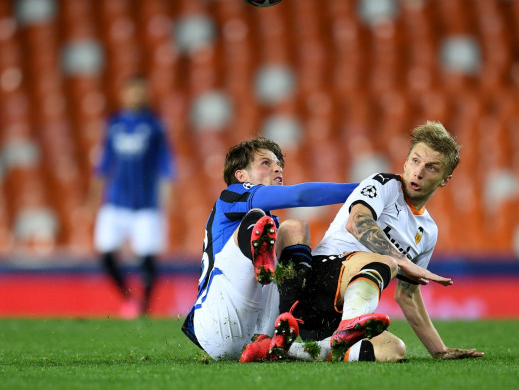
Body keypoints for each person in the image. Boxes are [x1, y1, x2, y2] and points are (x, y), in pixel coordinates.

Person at [244, 121, 484, 362]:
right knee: (387, 262)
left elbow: (407, 295)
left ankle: (296, 349)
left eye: (431, 167)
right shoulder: (384, 184)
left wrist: (439, 350)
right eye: (415, 161)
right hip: (319, 280)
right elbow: (357, 222)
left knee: (393, 348)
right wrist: (402, 261)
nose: (419, 172)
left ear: (445, 179)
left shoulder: (428, 231)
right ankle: (345, 328)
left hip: (336, 315)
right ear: (405, 162)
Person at [181, 136, 374, 361]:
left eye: (279, 165)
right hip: (215, 321)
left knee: (294, 228)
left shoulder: (272, 229)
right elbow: (300, 195)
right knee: (259, 219)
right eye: (266, 163)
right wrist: (370, 188)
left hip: (255, 335)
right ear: (241, 175)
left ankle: (286, 328)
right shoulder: (231, 196)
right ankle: (293, 320)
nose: (277, 169)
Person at [86, 74, 175, 318]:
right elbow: (103, 164)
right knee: (105, 255)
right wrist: (93, 198)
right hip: (115, 201)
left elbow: (165, 163)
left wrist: (168, 196)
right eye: (133, 91)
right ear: (124, 94)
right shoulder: (113, 125)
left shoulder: (155, 125)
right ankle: (128, 298)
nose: (137, 96)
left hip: (146, 203)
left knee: (148, 256)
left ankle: (144, 305)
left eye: (141, 91)